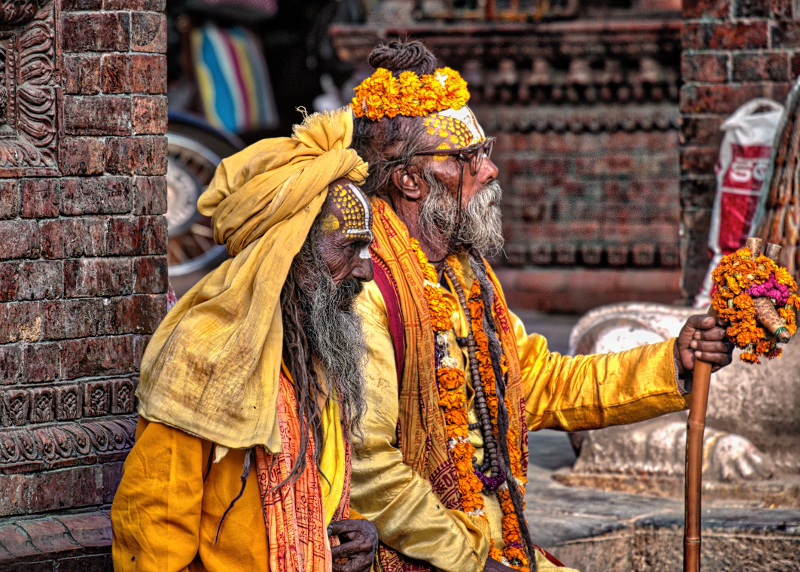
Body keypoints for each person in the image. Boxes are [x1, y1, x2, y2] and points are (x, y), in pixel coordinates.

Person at [347, 41, 734, 572]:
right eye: (468, 158)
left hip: (497, 551)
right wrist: (471, 562)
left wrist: (674, 363)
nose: (491, 170)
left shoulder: (467, 276)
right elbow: (368, 466)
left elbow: (538, 385)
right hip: (422, 557)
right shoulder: (366, 287)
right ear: (410, 180)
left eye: (486, 150)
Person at [111, 108, 379, 572]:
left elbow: (295, 499)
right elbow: (153, 531)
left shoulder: (316, 348)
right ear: (289, 249)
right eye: (350, 247)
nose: (366, 269)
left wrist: (354, 528)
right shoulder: (204, 353)